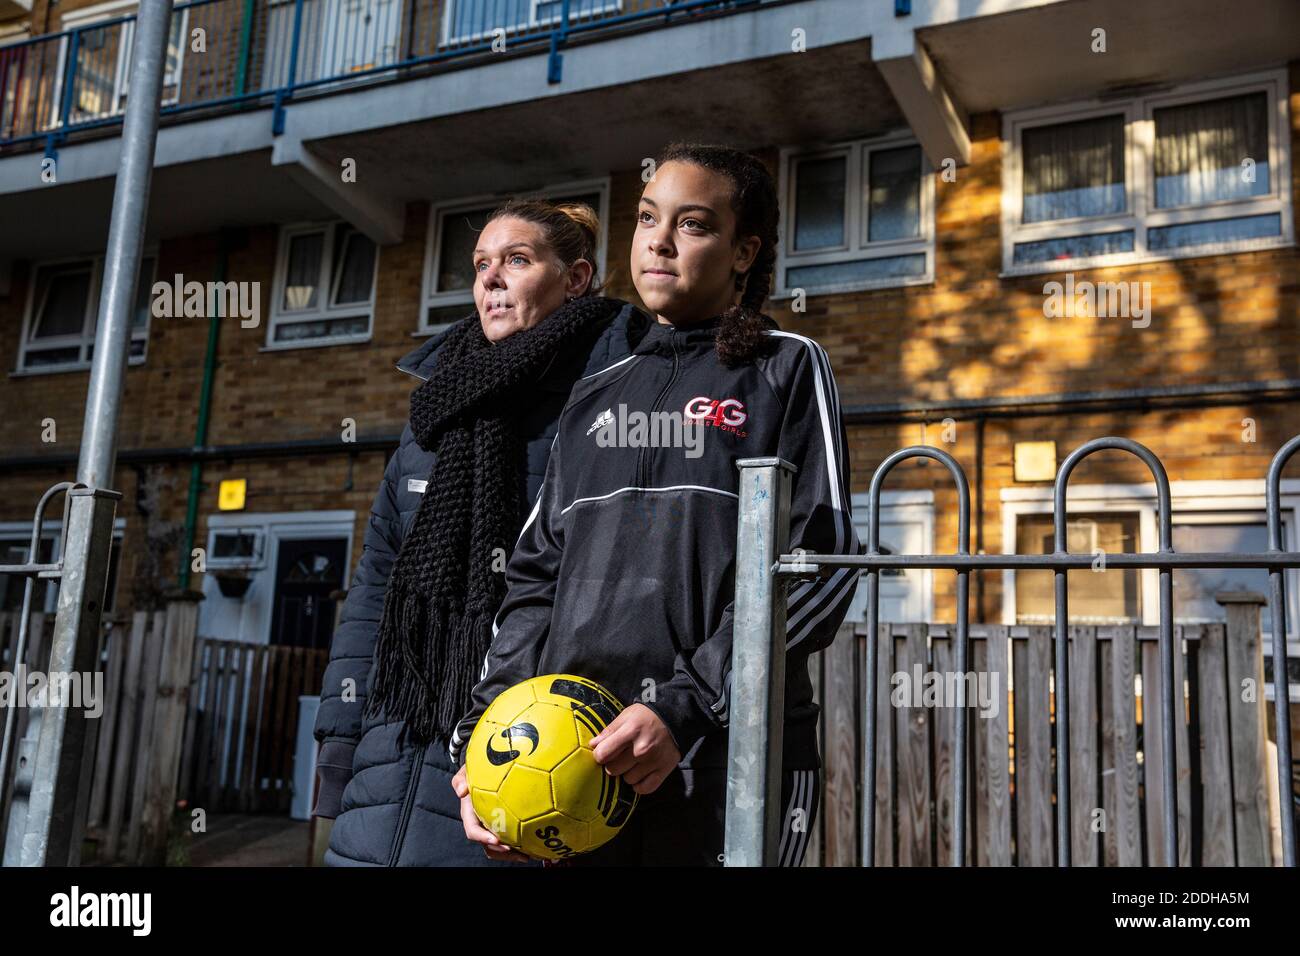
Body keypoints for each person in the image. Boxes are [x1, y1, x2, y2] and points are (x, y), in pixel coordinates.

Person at [450, 143, 860, 867]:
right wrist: (492, 734)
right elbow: (534, 579)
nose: (659, 241)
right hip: (575, 766)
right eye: (646, 218)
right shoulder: (595, 391)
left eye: (694, 223)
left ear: (744, 252)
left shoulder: (785, 366)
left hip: (725, 757)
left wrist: (683, 706)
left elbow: (817, 564)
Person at [311, 199, 651, 866]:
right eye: (481, 265)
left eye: (517, 262)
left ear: (575, 279)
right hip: (389, 749)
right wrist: (338, 749)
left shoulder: (604, 414)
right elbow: (374, 594)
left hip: (519, 766)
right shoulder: (433, 418)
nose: (491, 279)